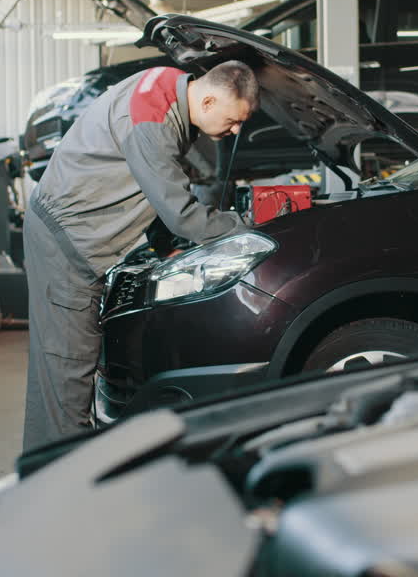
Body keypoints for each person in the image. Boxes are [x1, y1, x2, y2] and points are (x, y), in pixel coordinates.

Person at [22, 60, 260, 449]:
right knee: (66, 369)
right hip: (66, 243)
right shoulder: (155, 122)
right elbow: (184, 216)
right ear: (210, 99)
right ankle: (59, 481)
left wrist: (165, 245)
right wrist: (243, 227)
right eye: (234, 120)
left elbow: (147, 184)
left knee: (60, 369)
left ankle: (57, 468)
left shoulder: (166, 87)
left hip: (69, 234)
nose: (235, 131)